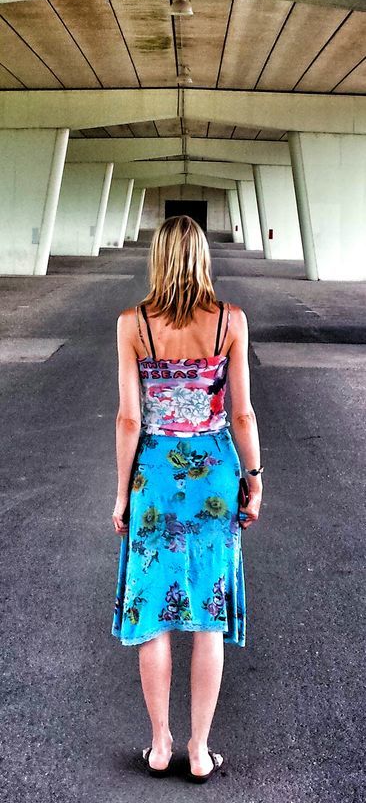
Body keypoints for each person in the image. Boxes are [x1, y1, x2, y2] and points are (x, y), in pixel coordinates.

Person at [111, 215, 263, 781]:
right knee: (207, 614)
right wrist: (254, 476)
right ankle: (199, 751)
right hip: (214, 475)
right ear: (202, 259)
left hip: (153, 473)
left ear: (158, 259)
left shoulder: (133, 324)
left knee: (152, 611)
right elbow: (242, 412)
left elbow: (130, 418)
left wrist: (122, 494)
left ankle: (158, 745)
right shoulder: (230, 321)